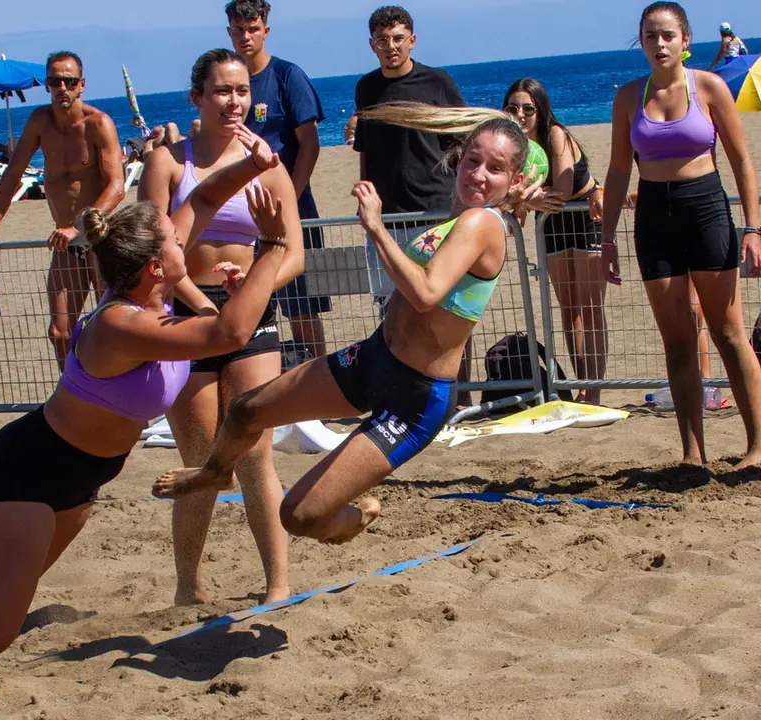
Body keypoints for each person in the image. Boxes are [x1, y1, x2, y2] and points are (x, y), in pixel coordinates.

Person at [0, 140, 288, 708]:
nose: (183, 240)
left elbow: (203, 197)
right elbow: (227, 336)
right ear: (154, 266)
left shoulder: (154, 297)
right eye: (175, 242)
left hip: (82, 477)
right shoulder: (121, 323)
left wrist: (256, 166)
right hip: (31, 470)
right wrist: (270, 247)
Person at [152, 112, 528, 544]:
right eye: (472, 161)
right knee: (245, 411)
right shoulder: (459, 221)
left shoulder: (482, 223)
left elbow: (425, 293)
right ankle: (215, 473)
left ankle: (357, 516)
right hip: (373, 359)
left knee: (299, 516)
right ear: (459, 161)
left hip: (415, 398)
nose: (478, 175)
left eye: (495, 169)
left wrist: (374, 226)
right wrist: (253, 283)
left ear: (513, 181)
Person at [138, 48, 304, 605]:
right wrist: (204, 306)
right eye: (221, 91)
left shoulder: (268, 160)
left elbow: (295, 254)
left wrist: (252, 286)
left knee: (255, 450)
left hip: (250, 307)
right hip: (186, 311)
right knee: (200, 457)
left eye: (241, 91)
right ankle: (189, 588)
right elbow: (155, 251)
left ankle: (277, 584)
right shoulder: (167, 162)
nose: (233, 101)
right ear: (197, 98)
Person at [601, 1, 761, 468]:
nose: (659, 44)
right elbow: (618, 170)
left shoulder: (710, 87)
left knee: (727, 332)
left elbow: (741, 161)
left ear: (686, 41)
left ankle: (758, 444)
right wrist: (609, 238)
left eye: (668, 35)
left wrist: (753, 228)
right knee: (676, 340)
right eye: (650, 36)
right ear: (642, 42)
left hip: (706, 210)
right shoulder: (629, 97)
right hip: (654, 215)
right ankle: (692, 452)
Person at [0, 51, 125, 372]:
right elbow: (12, 174)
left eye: (69, 82)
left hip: (100, 239)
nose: (62, 88)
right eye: (55, 81)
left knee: (110, 328)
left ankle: (118, 401)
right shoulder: (40, 123)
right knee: (60, 332)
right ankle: (73, 397)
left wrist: (81, 226)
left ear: (81, 85)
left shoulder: (98, 125)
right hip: (65, 242)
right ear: (47, 85)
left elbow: (117, 187)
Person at [227, 0, 332, 359]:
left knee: (301, 309)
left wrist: (291, 196)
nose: (245, 36)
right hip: (242, 213)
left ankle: (316, 387)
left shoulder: (287, 75)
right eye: (238, 29)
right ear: (229, 32)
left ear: (265, 31)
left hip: (292, 209)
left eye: (252, 28)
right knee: (248, 302)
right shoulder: (229, 82)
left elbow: (310, 145)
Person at [355, 5, 465, 317]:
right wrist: (367, 201)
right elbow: (366, 148)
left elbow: (461, 145)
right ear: (372, 44)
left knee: (446, 312)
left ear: (412, 40)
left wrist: (462, 204)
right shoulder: (366, 88)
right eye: (382, 40)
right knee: (392, 314)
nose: (391, 46)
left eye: (397, 38)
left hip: (435, 213)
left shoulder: (437, 82)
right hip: (386, 220)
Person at [504, 78, 608, 404]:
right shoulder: (514, 149)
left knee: (591, 307)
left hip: (584, 216)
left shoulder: (556, 136)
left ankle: (594, 390)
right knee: (568, 310)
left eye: (528, 109)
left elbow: (561, 191)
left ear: (541, 110)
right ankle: (582, 385)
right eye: (512, 108)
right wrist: (520, 202)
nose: (520, 115)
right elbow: (516, 212)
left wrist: (524, 199)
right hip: (549, 224)